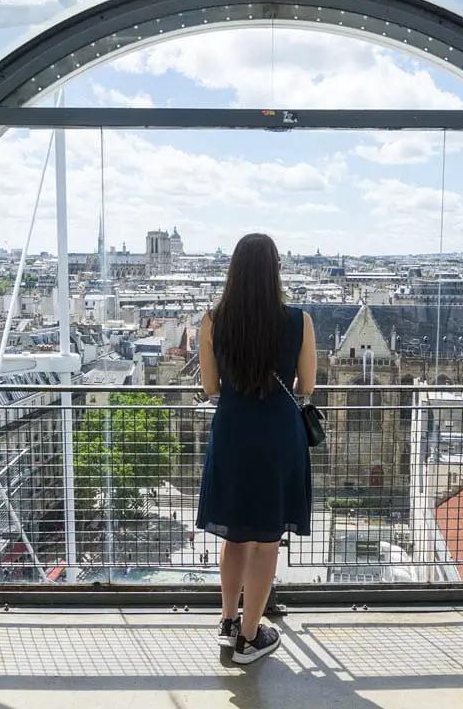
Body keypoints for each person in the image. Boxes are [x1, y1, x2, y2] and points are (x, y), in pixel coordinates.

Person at [195, 233, 316, 665]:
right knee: (267, 542)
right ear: (275, 272)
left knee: (235, 534)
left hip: (232, 433)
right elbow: (307, 386)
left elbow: (210, 387)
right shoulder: (299, 321)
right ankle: (250, 637)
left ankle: (229, 621)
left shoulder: (212, 321)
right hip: (278, 437)